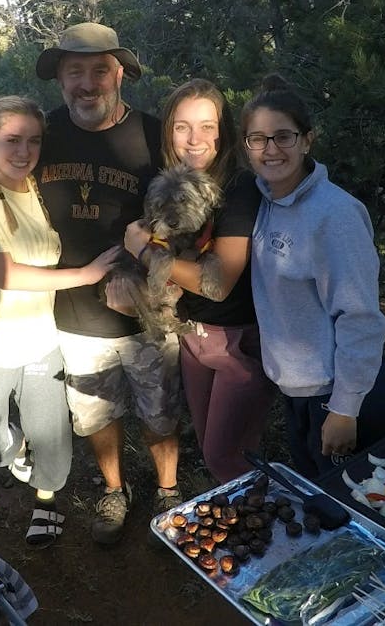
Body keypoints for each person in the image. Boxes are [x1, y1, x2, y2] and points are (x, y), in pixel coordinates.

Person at [0, 23, 182, 545]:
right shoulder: (47, 132)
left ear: (120, 74)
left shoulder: (153, 135)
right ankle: (114, 490)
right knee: (95, 415)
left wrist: (156, 271)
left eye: (99, 70)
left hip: (146, 312)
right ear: (60, 80)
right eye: (75, 72)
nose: (87, 84)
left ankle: (168, 493)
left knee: (159, 412)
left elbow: (186, 213)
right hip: (70, 318)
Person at [0, 95, 120, 547]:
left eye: (32, 141)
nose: (23, 152)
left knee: (52, 436)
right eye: (10, 141)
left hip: (42, 338)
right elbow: (4, 274)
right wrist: (86, 275)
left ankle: (46, 502)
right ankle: (14, 449)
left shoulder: (39, 183)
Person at [240, 75, 385, 480]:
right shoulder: (266, 201)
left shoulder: (335, 215)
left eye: (284, 136)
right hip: (299, 391)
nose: (271, 149)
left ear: (308, 140)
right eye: (258, 138)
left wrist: (345, 408)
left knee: (361, 518)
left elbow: (360, 316)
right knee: (320, 502)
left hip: (339, 395)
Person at [119, 79, 276, 484]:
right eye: (182, 126)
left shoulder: (239, 188)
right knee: (211, 448)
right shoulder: (166, 183)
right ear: (167, 130)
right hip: (192, 336)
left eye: (207, 126)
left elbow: (217, 284)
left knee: (227, 456)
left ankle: (261, 531)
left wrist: (145, 251)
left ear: (223, 131)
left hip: (237, 342)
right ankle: (233, 526)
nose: (195, 139)